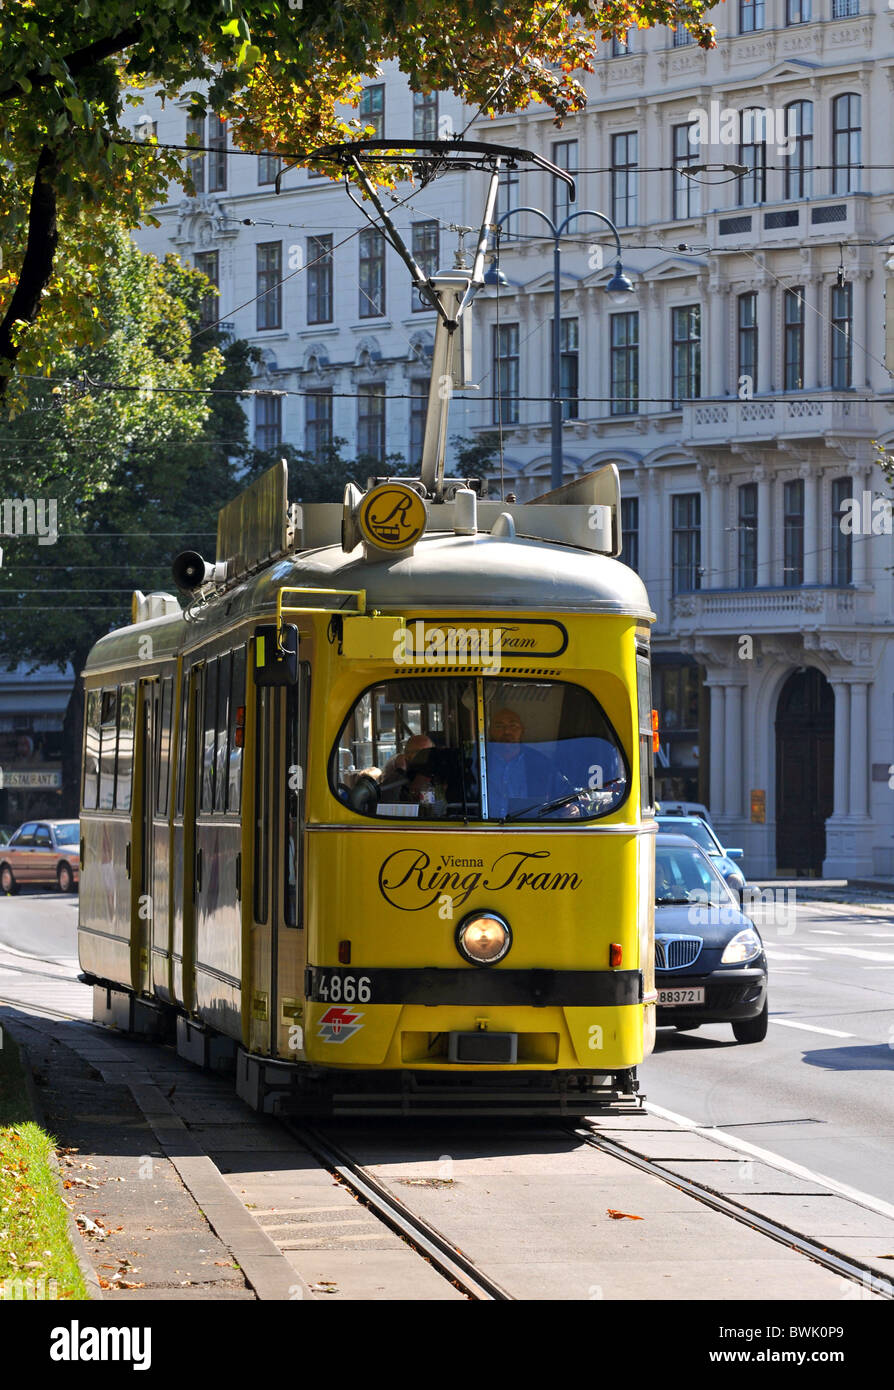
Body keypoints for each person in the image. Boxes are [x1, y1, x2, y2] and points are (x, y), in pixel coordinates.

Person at [486, 707, 574, 819]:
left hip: (528, 830)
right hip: (484, 830)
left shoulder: (540, 763)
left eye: (513, 725)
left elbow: (565, 794)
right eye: (499, 726)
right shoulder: (478, 760)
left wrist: (571, 808)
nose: (507, 731)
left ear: (522, 730)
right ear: (490, 731)